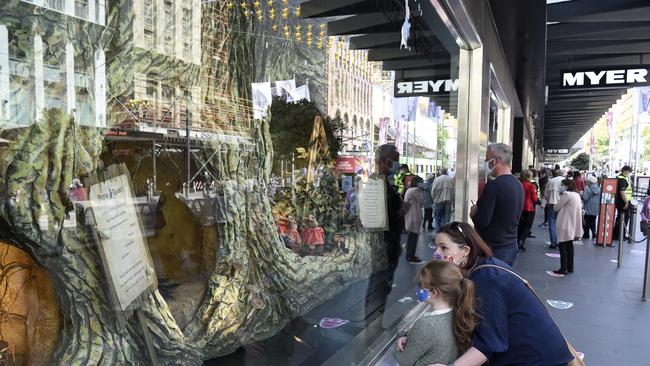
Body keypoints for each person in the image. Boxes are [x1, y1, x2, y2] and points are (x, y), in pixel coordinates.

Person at [430, 222, 573, 366]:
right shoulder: (480, 269)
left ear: (465, 250)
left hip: (538, 359)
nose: (436, 254)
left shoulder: (486, 278)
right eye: (436, 247)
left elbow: (490, 343)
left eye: (444, 248)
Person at [393, 261, 476, 366]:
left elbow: (403, 361)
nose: (418, 288)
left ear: (433, 292)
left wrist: (399, 337)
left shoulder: (426, 325)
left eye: (421, 284)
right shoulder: (458, 313)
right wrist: (408, 337)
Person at [470, 143, 523, 265]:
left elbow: (482, 222)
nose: (485, 162)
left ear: (496, 161)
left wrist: (473, 212)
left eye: (487, 158)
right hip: (511, 246)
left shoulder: (493, 186)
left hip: (493, 249)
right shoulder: (517, 184)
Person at [376, 144, 403, 267]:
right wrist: (399, 213)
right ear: (383, 161)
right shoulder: (376, 184)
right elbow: (380, 216)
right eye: (395, 160)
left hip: (391, 243)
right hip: (384, 246)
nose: (397, 164)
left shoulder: (386, 182)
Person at [552, 179, 583, 276]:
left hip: (565, 223)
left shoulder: (566, 194)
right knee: (570, 246)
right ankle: (570, 267)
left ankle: (563, 269)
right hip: (573, 224)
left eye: (562, 185)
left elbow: (556, 207)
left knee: (562, 246)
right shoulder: (577, 195)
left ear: (566, 185)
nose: (561, 186)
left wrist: (557, 201)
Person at [405, 176, 426, 264]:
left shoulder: (408, 190)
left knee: (411, 238)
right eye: (421, 182)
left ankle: (409, 255)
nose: (422, 184)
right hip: (414, 216)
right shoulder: (415, 190)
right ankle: (411, 257)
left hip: (410, 216)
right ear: (417, 182)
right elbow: (423, 201)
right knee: (414, 237)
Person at [544, 169, 566, 249]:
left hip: (552, 204)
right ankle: (560, 241)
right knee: (561, 223)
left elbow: (545, 194)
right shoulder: (565, 181)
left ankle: (553, 242)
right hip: (562, 205)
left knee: (552, 223)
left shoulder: (551, 181)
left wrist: (548, 200)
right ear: (564, 175)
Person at [517, 170, 538, 252]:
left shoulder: (518, 184)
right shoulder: (531, 186)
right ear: (529, 176)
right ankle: (521, 240)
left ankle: (518, 240)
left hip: (519, 207)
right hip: (529, 208)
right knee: (527, 226)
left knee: (520, 225)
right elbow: (534, 198)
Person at [613, 165, 633, 241]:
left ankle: (617, 234)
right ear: (624, 171)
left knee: (620, 218)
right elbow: (622, 192)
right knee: (624, 218)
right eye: (629, 171)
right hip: (623, 202)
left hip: (621, 202)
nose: (629, 173)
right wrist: (626, 202)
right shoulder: (622, 179)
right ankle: (620, 235)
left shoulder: (621, 178)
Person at [431, 168, 454, 232]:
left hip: (438, 201)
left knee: (438, 218)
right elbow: (454, 192)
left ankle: (438, 234)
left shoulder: (437, 179)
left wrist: (434, 199)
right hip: (448, 201)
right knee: (447, 219)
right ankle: (446, 234)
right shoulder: (451, 179)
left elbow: (433, 191)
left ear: (440, 172)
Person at [581, 175, 601, 241]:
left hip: (588, 207)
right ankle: (594, 233)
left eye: (587, 181)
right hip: (595, 207)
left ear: (590, 182)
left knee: (586, 221)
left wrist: (581, 195)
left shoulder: (587, 188)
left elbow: (585, 197)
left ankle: (586, 234)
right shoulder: (598, 188)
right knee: (593, 220)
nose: (586, 182)